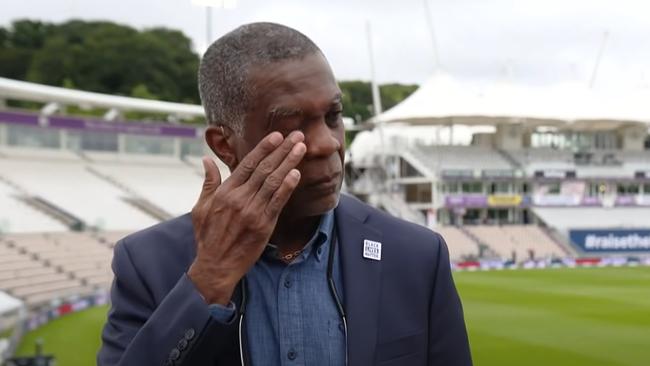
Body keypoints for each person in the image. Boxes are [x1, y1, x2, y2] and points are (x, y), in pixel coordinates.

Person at [97, 22, 472, 366]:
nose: (327, 144)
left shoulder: (417, 256)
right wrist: (209, 279)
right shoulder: (146, 264)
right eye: (293, 126)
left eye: (334, 116)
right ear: (224, 145)